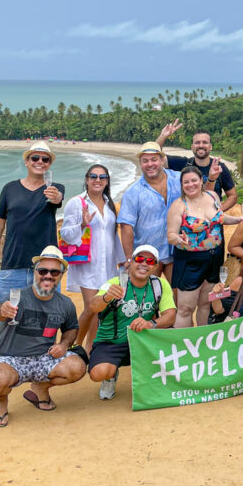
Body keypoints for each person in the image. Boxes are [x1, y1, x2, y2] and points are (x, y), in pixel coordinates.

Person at [0, 246, 84, 427]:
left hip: (44, 358)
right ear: (35, 272)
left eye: (54, 272)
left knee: (77, 367)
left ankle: (40, 388)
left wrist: (64, 344)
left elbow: (71, 329)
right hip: (9, 358)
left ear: (61, 275)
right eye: (43, 270)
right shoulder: (17, 296)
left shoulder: (65, 304)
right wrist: (2, 310)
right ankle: (1, 401)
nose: (48, 276)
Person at [87, 244, 177, 400]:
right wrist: (106, 297)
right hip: (113, 341)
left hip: (143, 339)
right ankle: (110, 376)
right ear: (131, 263)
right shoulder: (116, 282)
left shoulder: (159, 285)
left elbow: (170, 315)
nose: (144, 264)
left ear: (155, 266)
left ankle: (155, 378)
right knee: (98, 373)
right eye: (140, 259)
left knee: (174, 342)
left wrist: (152, 324)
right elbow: (94, 307)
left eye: (150, 261)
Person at [0, 141, 66, 304]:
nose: (40, 162)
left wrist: (57, 197)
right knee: (6, 318)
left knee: (47, 319)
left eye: (45, 159)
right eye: (35, 158)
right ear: (26, 161)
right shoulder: (9, 189)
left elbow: (58, 199)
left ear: (49, 165)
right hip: (13, 267)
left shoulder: (56, 188)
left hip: (46, 269)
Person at [166, 166, 243, 328]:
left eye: (194, 180)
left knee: (206, 304)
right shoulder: (179, 206)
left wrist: (237, 220)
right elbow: (170, 236)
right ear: (181, 185)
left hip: (214, 259)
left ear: (202, 181)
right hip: (189, 262)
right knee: (185, 309)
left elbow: (219, 218)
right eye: (186, 182)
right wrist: (179, 239)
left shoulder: (212, 195)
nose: (190, 184)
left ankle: (202, 345)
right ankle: (183, 345)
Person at [59, 163, 126, 351]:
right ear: (87, 180)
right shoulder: (77, 203)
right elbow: (65, 234)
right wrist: (82, 224)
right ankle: (73, 345)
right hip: (88, 264)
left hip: (109, 265)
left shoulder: (110, 203)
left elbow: (113, 235)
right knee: (91, 308)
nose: (98, 180)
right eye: (93, 176)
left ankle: (90, 347)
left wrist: (122, 260)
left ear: (107, 181)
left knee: (101, 309)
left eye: (102, 177)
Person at [118, 142, 182, 280]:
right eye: (145, 160)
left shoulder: (179, 179)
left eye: (154, 159)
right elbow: (126, 227)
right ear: (140, 163)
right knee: (147, 297)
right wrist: (129, 259)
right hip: (147, 256)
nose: (150, 164)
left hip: (177, 251)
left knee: (177, 298)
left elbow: (199, 192)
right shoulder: (133, 192)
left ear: (161, 160)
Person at [155, 120, 238, 211]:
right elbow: (155, 157)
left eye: (205, 142)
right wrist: (162, 137)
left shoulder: (219, 168)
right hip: (188, 221)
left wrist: (218, 212)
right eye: (197, 143)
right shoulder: (183, 164)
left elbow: (232, 196)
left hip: (213, 222)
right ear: (192, 147)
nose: (201, 145)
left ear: (210, 147)